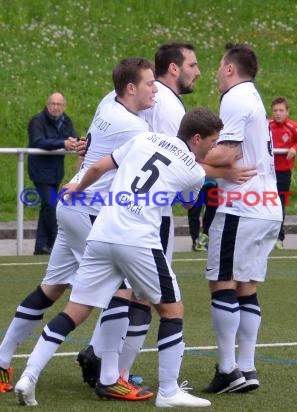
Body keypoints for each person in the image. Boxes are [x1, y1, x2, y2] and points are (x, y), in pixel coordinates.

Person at [13, 108, 223, 408]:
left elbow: (98, 166)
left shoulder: (144, 138)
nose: (213, 148)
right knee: (172, 310)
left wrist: (77, 188)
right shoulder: (193, 169)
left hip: (101, 232)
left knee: (75, 310)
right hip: (138, 240)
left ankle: (29, 377)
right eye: (212, 142)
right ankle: (168, 391)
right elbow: (190, 200)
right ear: (197, 138)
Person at [0, 57, 156, 394]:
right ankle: (109, 377)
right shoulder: (135, 129)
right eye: (149, 84)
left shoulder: (108, 100)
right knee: (121, 290)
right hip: (88, 211)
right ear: (131, 88)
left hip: (71, 205)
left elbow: (91, 151)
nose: (155, 90)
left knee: (52, 287)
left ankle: (0, 359)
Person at [76, 42, 202, 388]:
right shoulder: (169, 107)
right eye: (192, 64)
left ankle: (104, 359)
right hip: (148, 212)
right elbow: (188, 160)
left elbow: (101, 139)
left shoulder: (127, 96)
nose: (198, 71)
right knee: (144, 295)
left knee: (121, 289)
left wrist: (82, 156)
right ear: (173, 68)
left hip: (117, 207)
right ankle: (111, 367)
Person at [199, 43, 282, 394]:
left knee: (222, 282)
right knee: (246, 286)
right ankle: (246, 368)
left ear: (230, 69)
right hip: (267, 204)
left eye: (220, 66)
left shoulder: (234, 97)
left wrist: (183, 155)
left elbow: (229, 150)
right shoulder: (254, 97)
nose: (217, 73)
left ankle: (227, 370)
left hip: (241, 206)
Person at [28, 92, 79, 255]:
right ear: (47, 104)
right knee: (51, 206)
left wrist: (76, 142)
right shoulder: (37, 121)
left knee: (46, 207)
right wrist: (62, 143)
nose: (56, 107)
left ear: (64, 106)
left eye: (59, 104)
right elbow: (38, 141)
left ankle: (41, 246)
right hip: (40, 171)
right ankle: (55, 242)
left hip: (55, 171)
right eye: (53, 104)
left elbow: (72, 137)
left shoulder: (66, 121)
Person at [269, 96, 297, 250]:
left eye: (281, 110)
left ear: (287, 111)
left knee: (280, 205)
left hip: (284, 172)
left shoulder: (293, 127)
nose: (278, 113)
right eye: (275, 110)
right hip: (267, 172)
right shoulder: (267, 126)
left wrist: (294, 148)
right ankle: (266, 236)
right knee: (265, 203)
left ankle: (279, 237)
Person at [187, 178, 218, 251]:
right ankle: (195, 241)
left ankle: (205, 238)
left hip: (211, 184)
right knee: (194, 213)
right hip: (194, 183)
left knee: (211, 213)